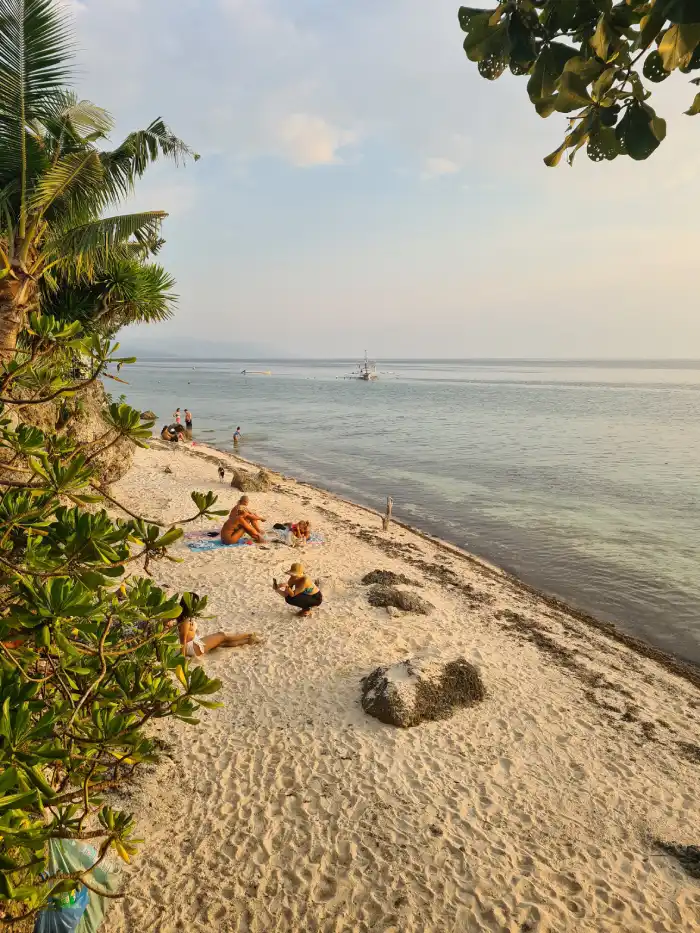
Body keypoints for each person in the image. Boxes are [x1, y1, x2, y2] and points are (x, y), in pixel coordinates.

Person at [177, 617, 260, 658]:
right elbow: (183, 640)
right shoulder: (186, 621)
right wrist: (182, 658)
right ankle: (250, 635)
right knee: (221, 636)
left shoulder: (187, 618)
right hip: (193, 647)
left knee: (221, 643)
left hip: (194, 644)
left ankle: (247, 641)